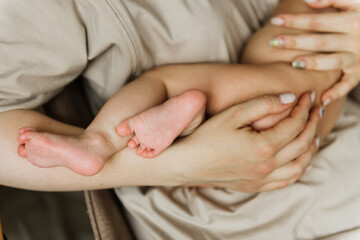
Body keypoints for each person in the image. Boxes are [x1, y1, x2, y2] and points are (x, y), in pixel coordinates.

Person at [0, 0, 359, 239]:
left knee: (165, 86)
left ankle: (103, 140)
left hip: (296, 116)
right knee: (189, 90)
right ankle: (124, 137)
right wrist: (180, 165)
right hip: (276, 105)